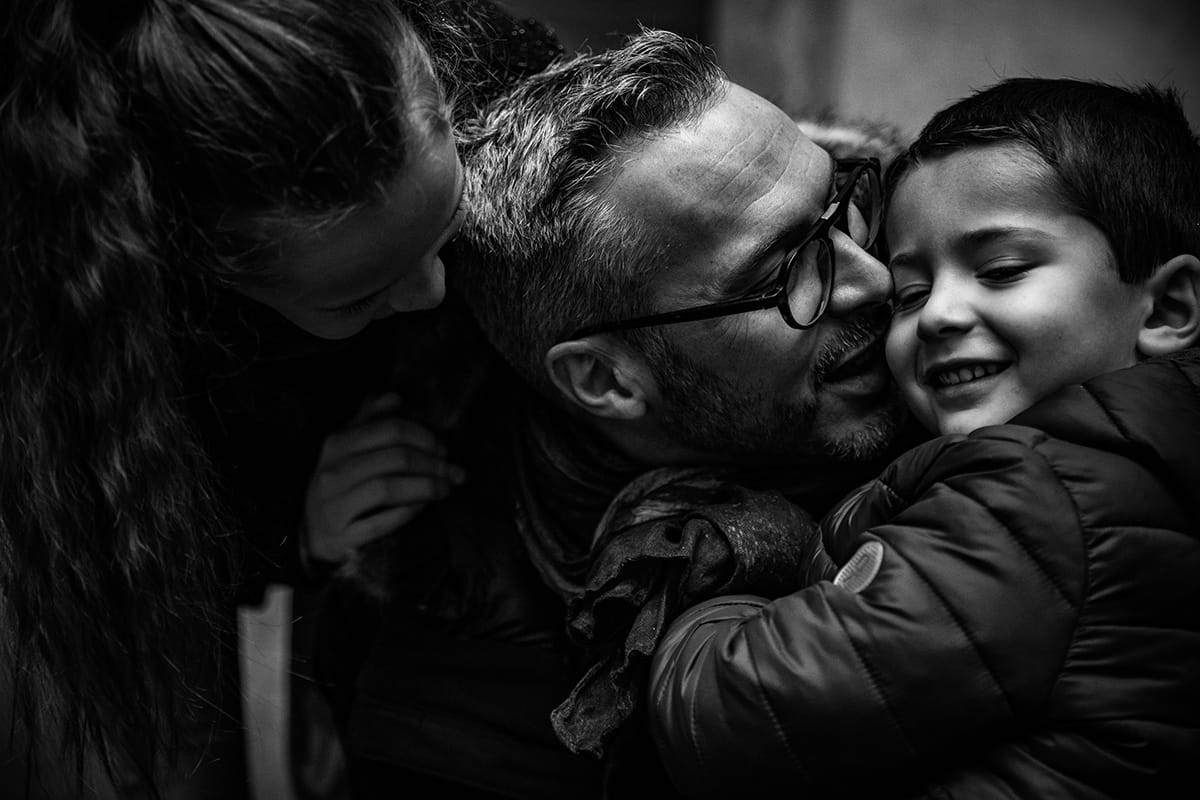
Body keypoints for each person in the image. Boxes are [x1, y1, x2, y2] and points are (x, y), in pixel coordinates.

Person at [315, 27, 920, 799]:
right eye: (788, 270)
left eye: (843, 207)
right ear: (606, 379)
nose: (875, 280)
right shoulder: (468, 701)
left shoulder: (979, 336)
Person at [0, 1, 559, 797]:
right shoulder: (114, 332)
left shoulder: (480, 61)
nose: (432, 290)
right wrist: (296, 529)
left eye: (445, 227)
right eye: (360, 295)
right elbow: (170, 556)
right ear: (214, 275)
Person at [647, 78, 1200, 798]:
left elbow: (741, 719)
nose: (938, 315)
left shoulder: (1033, 496)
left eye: (1000, 270)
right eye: (910, 292)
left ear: (1169, 307)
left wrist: (712, 610)